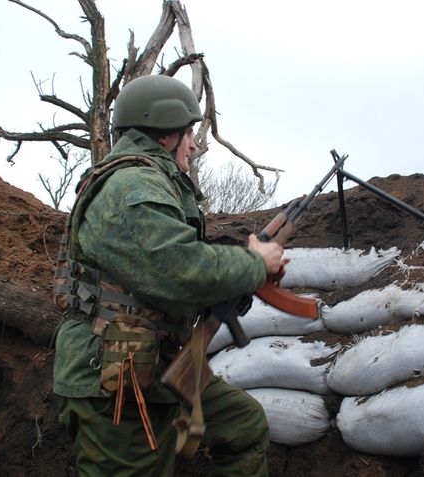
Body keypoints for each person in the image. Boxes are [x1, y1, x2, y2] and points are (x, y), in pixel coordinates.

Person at [53, 74, 283, 476]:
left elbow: (160, 274)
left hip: (154, 364)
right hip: (113, 379)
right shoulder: (132, 185)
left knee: (241, 424)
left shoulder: (149, 181)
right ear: (164, 134)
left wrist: (236, 281)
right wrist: (254, 264)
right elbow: (179, 271)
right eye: (188, 132)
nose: (194, 144)